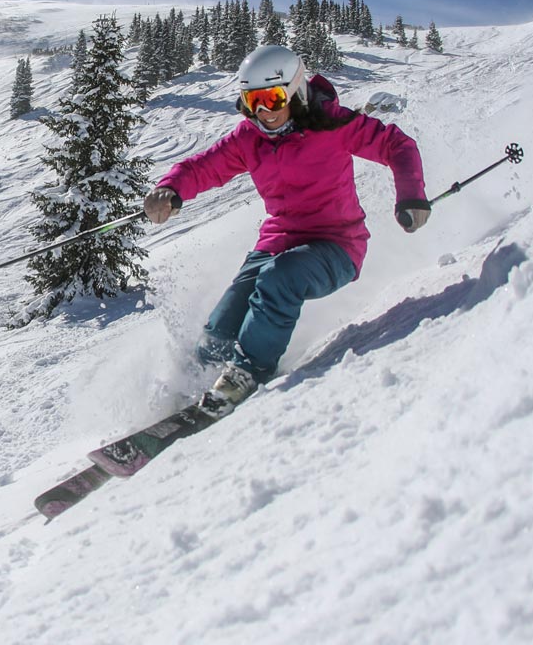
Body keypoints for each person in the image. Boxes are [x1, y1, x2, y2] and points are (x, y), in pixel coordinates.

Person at [143, 44, 430, 418]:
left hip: (336, 245)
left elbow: (396, 144)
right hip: (276, 243)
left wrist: (412, 196)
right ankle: (190, 393)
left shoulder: (333, 124)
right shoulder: (250, 138)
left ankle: (247, 373)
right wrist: (171, 187)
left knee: (279, 280)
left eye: (273, 98)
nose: (264, 112)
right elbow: (203, 167)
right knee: (220, 328)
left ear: (295, 91)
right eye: (253, 101)